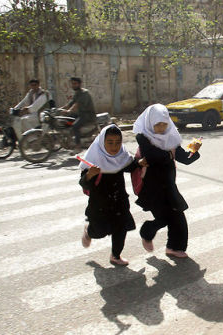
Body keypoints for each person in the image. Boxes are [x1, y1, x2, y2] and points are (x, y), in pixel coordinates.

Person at [133, 104, 201, 258]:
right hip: (152, 187)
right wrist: (169, 156)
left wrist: (194, 150)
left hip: (169, 185)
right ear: (150, 123)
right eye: (158, 125)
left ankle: (174, 247)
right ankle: (146, 232)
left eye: (165, 124)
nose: (162, 128)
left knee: (178, 216)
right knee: (163, 218)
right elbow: (152, 156)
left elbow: (184, 158)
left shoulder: (171, 136)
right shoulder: (143, 137)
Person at [79, 124, 148, 266]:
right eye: (110, 142)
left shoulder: (121, 156)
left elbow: (129, 165)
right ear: (102, 142)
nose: (114, 146)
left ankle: (115, 256)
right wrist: (89, 176)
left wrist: (139, 163)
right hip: (99, 206)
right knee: (99, 232)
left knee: (120, 229)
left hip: (119, 202)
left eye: (118, 142)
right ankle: (89, 231)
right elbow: (84, 184)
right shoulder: (92, 161)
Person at [60, 77, 97, 153]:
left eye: (75, 84)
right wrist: (59, 109)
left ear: (79, 84)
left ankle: (78, 146)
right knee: (66, 121)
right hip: (80, 114)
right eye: (72, 84)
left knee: (75, 126)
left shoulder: (84, 93)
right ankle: (70, 138)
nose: (73, 85)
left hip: (87, 115)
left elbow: (77, 104)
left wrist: (69, 110)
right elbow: (71, 103)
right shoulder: (77, 93)